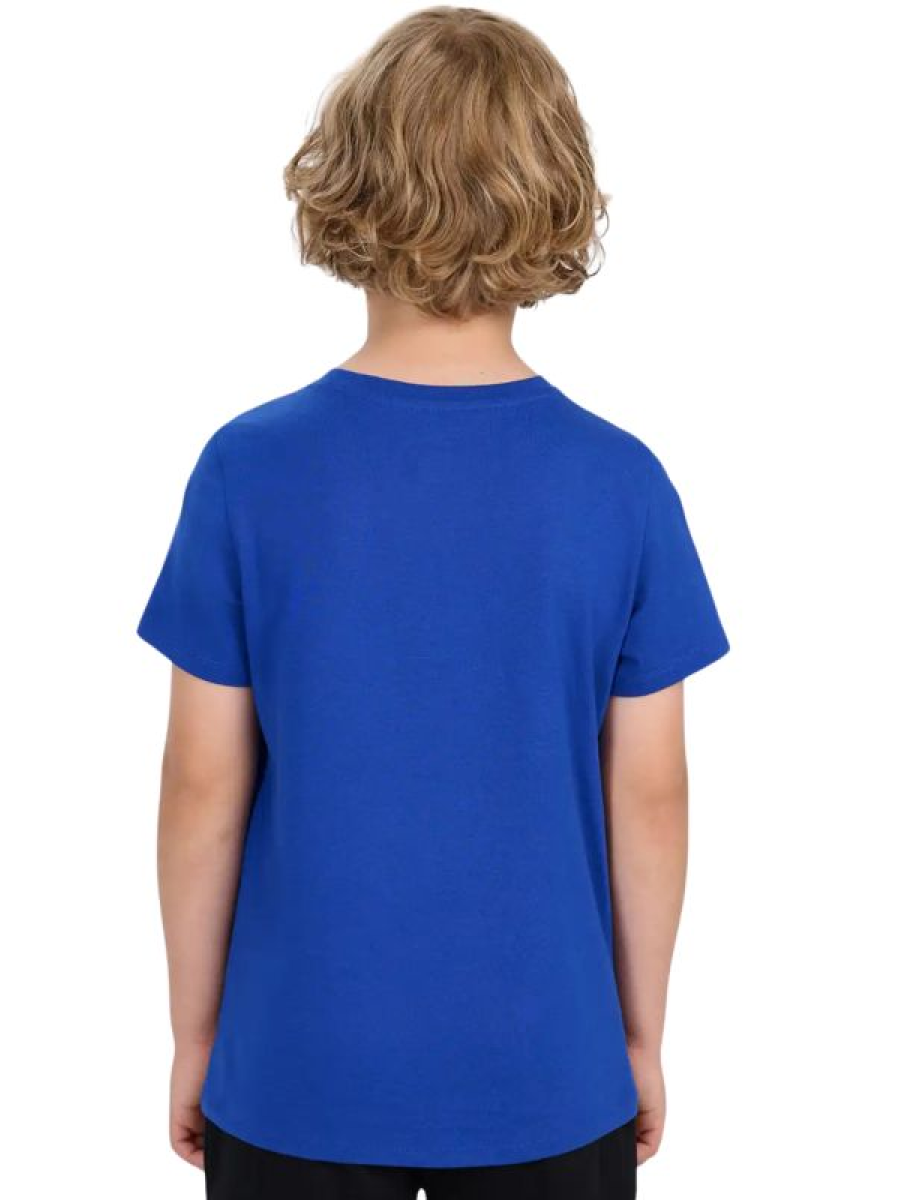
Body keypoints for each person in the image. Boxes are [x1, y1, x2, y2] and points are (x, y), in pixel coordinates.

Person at [137, 7, 729, 1197]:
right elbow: (650, 796)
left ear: (346, 182)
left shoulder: (248, 470)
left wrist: (197, 1036)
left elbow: (203, 788)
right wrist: (640, 1037)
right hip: (550, 1076)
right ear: (554, 194)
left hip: (296, 1074)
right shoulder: (621, 483)